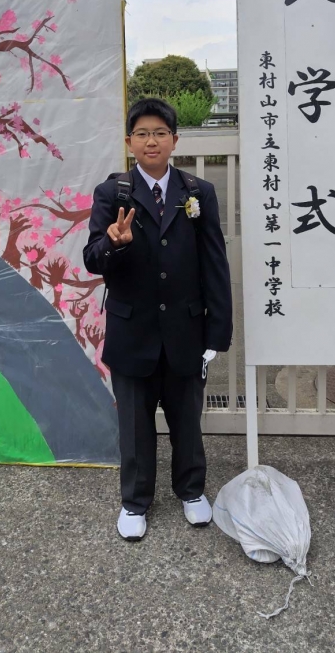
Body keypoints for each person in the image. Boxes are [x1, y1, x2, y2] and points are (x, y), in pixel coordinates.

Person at [83, 97, 232, 541]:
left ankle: (191, 490)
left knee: (187, 419)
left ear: (175, 140)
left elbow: (214, 263)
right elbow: (92, 259)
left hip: (186, 329)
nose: (152, 141)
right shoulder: (113, 194)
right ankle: (135, 501)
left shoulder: (198, 192)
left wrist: (217, 331)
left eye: (160, 133)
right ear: (130, 142)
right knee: (134, 424)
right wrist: (114, 243)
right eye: (143, 134)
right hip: (132, 330)